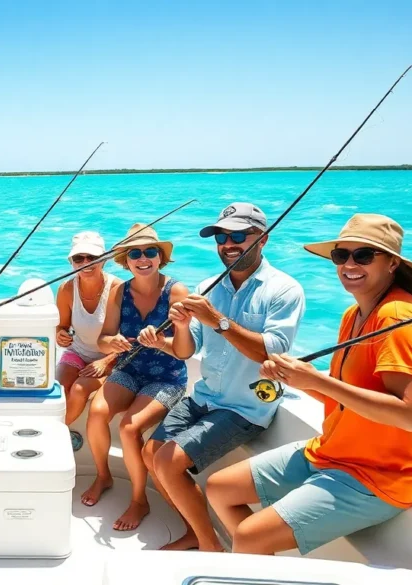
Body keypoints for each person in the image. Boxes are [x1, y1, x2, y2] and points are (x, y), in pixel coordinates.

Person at [206, 213, 412, 555]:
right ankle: (268, 571)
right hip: (335, 450)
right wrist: (294, 377)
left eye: (363, 255)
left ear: (392, 263)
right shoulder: (354, 314)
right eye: (341, 255)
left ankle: (256, 563)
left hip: (380, 473)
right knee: (219, 489)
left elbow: (408, 415)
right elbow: (344, 396)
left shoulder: (397, 317)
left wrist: (317, 379)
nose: (350, 264)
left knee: (248, 536)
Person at [144, 202, 305, 552]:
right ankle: (193, 531)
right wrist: (177, 332)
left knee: (168, 463)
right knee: (150, 452)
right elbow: (188, 351)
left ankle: (209, 547)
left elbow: (272, 352)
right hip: (204, 396)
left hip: (244, 407)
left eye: (237, 235)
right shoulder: (209, 285)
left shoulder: (283, 289)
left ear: (262, 239)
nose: (227, 244)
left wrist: (217, 319)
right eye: (221, 237)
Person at [81, 224, 188, 531]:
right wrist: (110, 344)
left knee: (129, 428)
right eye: (135, 253)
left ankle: (139, 500)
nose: (143, 259)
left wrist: (161, 342)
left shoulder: (177, 291)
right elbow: (103, 339)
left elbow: (184, 351)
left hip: (166, 378)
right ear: (126, 261)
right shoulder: (119, 291)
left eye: (150, 252)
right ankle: (103, 476)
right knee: (98, 412)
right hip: (128, 368)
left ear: (160, 257)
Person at [55, 231, 122, 425]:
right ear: (72, 262)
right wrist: (60, 334)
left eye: (92, 257)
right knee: (57, 390)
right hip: (77, 352)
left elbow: (130, 336)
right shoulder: (65, 289)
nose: (86, 263)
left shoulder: (118, 288)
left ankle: (57, 432)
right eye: (79, 258)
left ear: (104, 260)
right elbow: (62, 325)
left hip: (111, 359)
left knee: (78, 389)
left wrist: (106, 362)